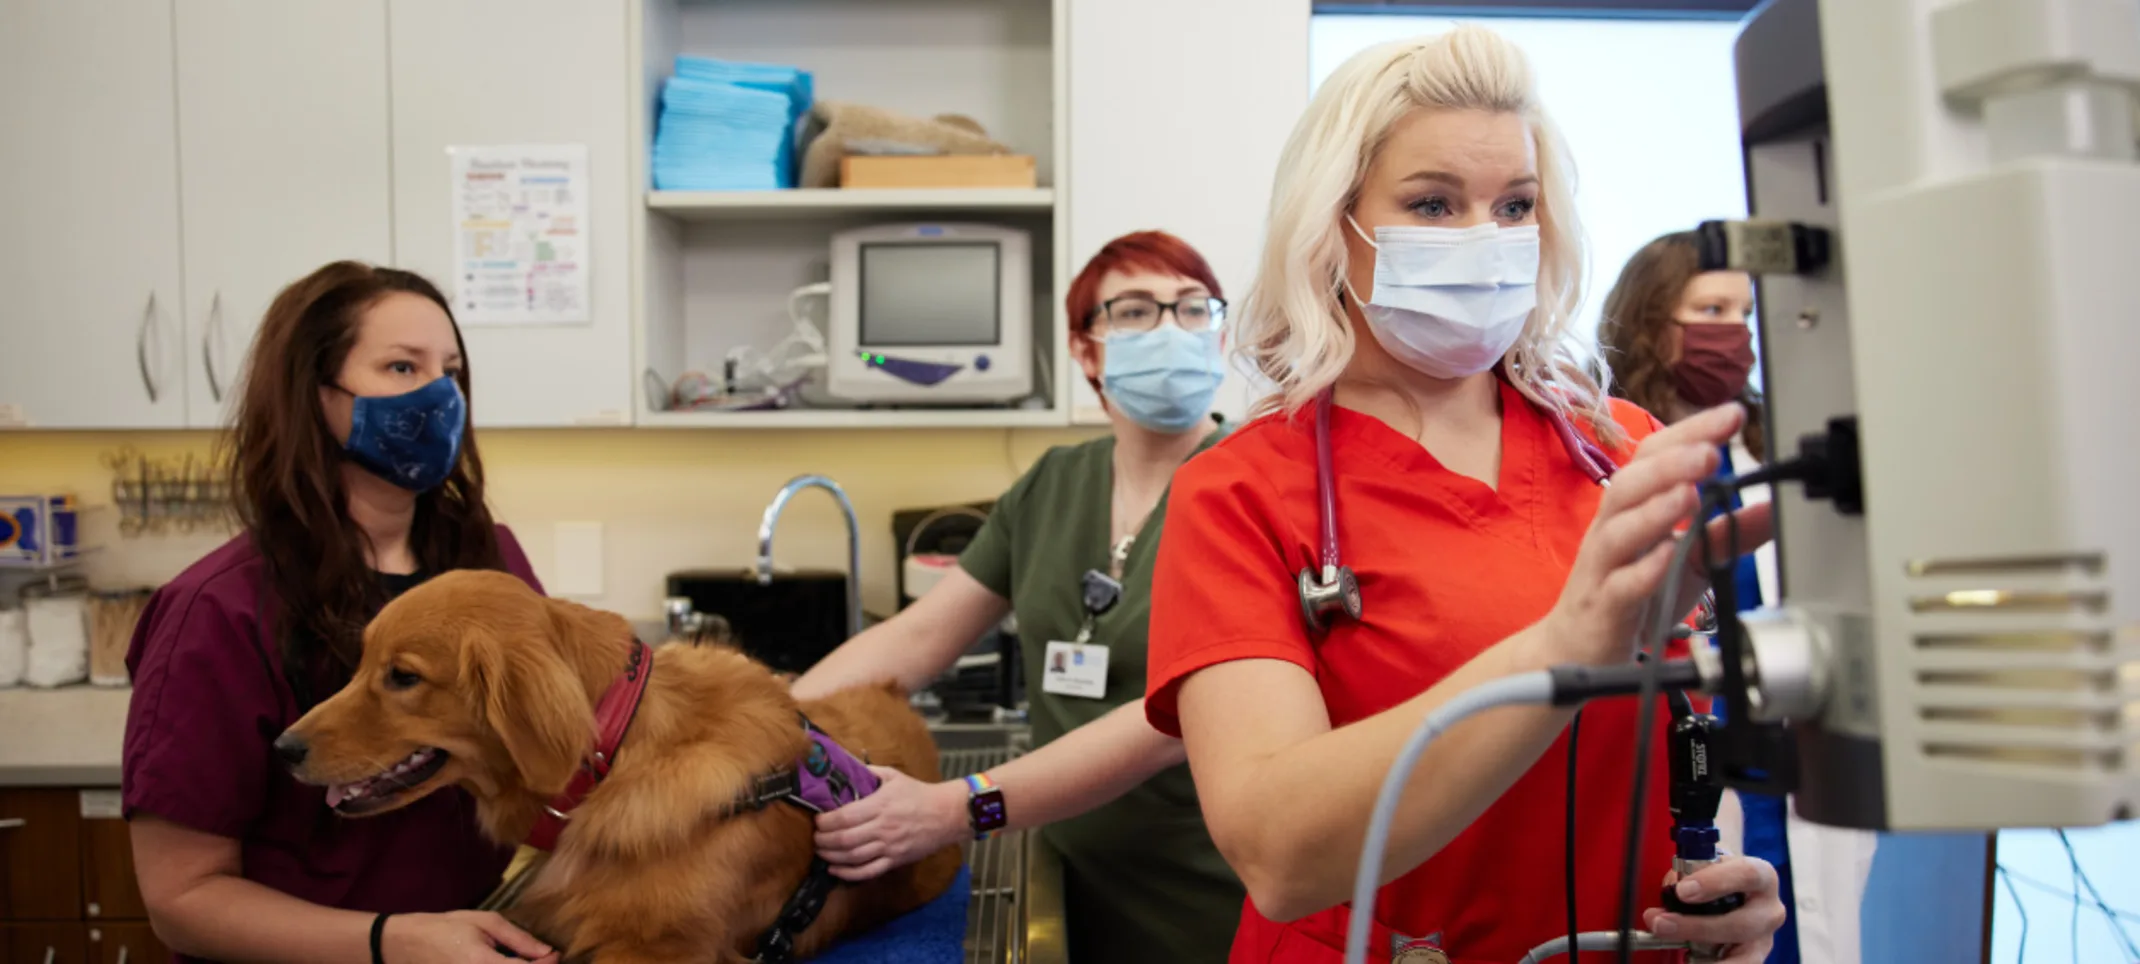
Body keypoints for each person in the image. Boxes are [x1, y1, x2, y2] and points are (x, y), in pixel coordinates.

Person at [1142, 28, 1790, 964]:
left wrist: (1721, 898)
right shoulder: (1240, 490)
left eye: (1514, 204)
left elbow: (1677, 743)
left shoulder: (1620, 447)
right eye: (1433, 203)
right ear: (1335, 224)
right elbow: (1278, 855)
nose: (1485, 239)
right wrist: (1568, 646)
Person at [793, 230, 1247, 963]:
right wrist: (776, 725)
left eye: (1193, 308)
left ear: (1218, 336)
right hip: (1068, 878)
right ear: (1085, 350)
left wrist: (957, 806)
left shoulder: (1254, 488)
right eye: (1136, 311)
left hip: (1214, 891)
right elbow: (918, 638)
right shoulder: (1051, 486)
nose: (1171, 330)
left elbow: (1175, 719)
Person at [123, 262, 559, 964]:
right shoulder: (216, 611)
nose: (439, 395)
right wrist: (393, 941)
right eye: (401, 367)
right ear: (315, 391)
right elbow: (182, 898)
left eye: (450, 372)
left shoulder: (489, 560)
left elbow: (549, 748)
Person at [1601, 234, 1881, 964]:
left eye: (1745, 313)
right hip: (1680, 761)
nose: (1735, 333)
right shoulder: (1607, 453)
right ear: (1649, 319)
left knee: (1791, 926)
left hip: (1785, 766)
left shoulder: (1780, 453)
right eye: (1711, 310)